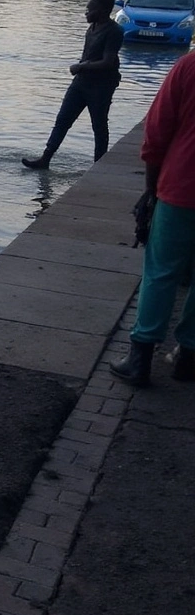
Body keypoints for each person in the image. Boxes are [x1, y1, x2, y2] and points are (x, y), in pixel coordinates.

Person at [109, 51, 195, 386]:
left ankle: (140, 358)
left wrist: (150, 191)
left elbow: (157, 132)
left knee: (161, 272)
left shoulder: (188, 66)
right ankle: (188, 358)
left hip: (182, 187)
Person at [21, 0, 123, 170]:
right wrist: (82, 68)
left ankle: (98, 165)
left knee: (98, 125)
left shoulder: (114, 31)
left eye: (90, 9)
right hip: (81, 82)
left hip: (101, 86)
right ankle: (46, 158)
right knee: (63, 120)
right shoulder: (91, 28)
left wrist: (82, 66)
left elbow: (108, 61)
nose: (86, 13)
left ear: (103, 10)